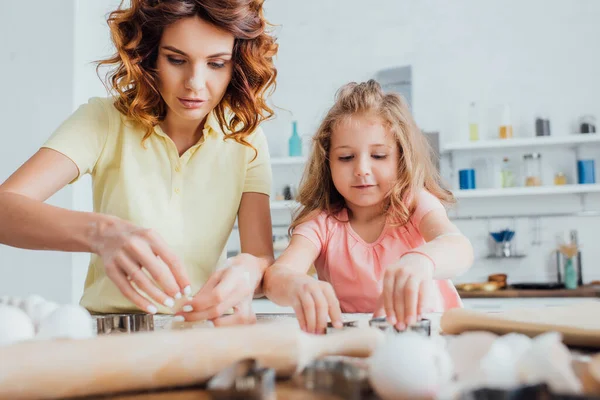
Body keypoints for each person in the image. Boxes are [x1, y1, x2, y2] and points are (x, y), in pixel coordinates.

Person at [0, 0, 279, 326]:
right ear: (149, 56)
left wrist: (248, 270)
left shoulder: (245, 137)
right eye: (176, 59)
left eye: (216, 64)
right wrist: (101, 233)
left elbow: (261, 257)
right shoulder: (104, 120)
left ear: (237, 66)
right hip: (109, 333)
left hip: (202, 332)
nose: (194, 82)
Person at [263, 80, 474, 334]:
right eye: (346, 157)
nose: (362, 169)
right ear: (327, 163)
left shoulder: (414, 203)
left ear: (401, 159)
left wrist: (420, 260)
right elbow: (276, 277)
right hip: (357, 344)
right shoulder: (321, 223)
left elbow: (459, 247)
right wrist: (296, 285)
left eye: (378, 156)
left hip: (430, 341)